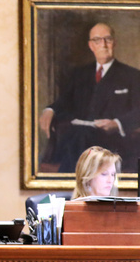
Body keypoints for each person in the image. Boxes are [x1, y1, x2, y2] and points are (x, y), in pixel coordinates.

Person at [40, 23, 140, 173]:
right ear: (91, 45)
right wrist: (50, 110)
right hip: (80, 139)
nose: (104, 45)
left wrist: (116, 123)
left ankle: (68, 184)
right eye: (97, 40)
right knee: (77, 136)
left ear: (115, 43)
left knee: (78, 139)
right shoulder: (79, 74)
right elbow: (64, 102)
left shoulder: (132, 75)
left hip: (114, 141)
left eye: (108, 39)